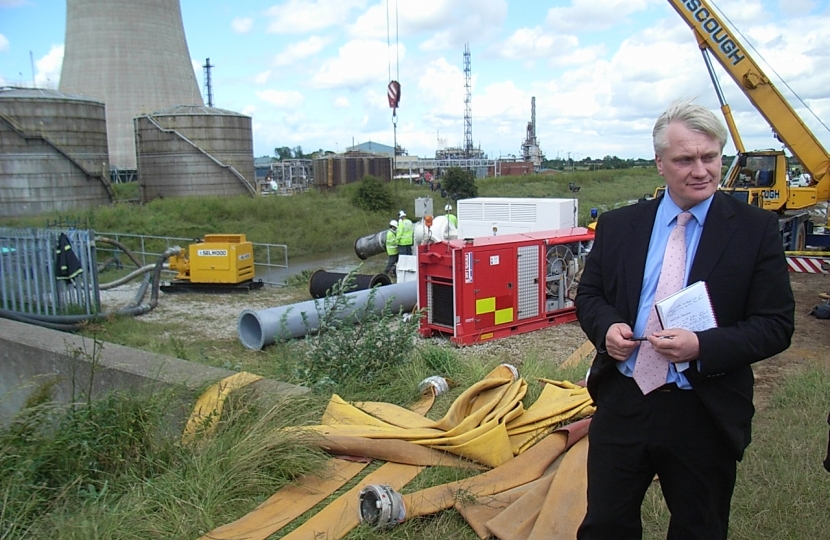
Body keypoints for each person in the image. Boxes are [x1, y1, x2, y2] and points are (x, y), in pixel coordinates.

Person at [574, 99, 795, 540]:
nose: (701, 170)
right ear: (659, 163)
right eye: (685, 159)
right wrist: (607, 330)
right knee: (605, 524)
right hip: (626, 398)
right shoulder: (619, 226)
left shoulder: (754, 230)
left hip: (703, 405)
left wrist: (701, 347)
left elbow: (776, 324)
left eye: (710, 157)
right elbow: (590, 295)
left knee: (700, 528)